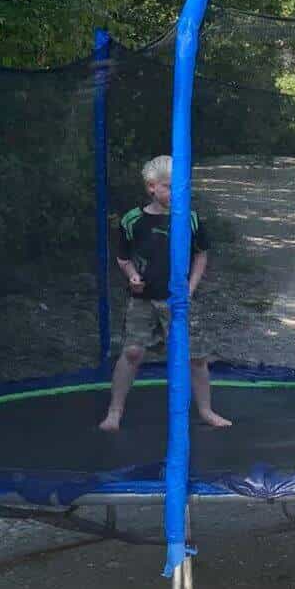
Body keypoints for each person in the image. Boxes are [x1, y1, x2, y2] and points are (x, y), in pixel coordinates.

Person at [99, 154, 231, 431]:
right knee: (133, 351)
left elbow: (201, 256)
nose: (175, 193)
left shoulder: (190, 218)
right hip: (143, 299)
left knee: (196, 357)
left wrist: (190, 289)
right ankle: (115, 411)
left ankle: (206, 410)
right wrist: (132, 276)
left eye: (180, 186)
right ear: (152, 187)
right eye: (169, 187)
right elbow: (123, 258)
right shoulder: (132, 220)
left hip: (178, 301)